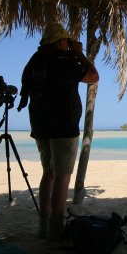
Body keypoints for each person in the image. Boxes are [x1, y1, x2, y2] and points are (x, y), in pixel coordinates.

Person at [17, 23, 99, 242]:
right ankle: (55, 231)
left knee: (48, 174)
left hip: (41, 125)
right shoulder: (65, 62)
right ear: (61, 42)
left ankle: (43, 227)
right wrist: (80, 54)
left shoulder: (35, 62)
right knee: (62, 178)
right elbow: (93, 76)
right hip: (63, 126)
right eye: (67, 40)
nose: (69, 43)